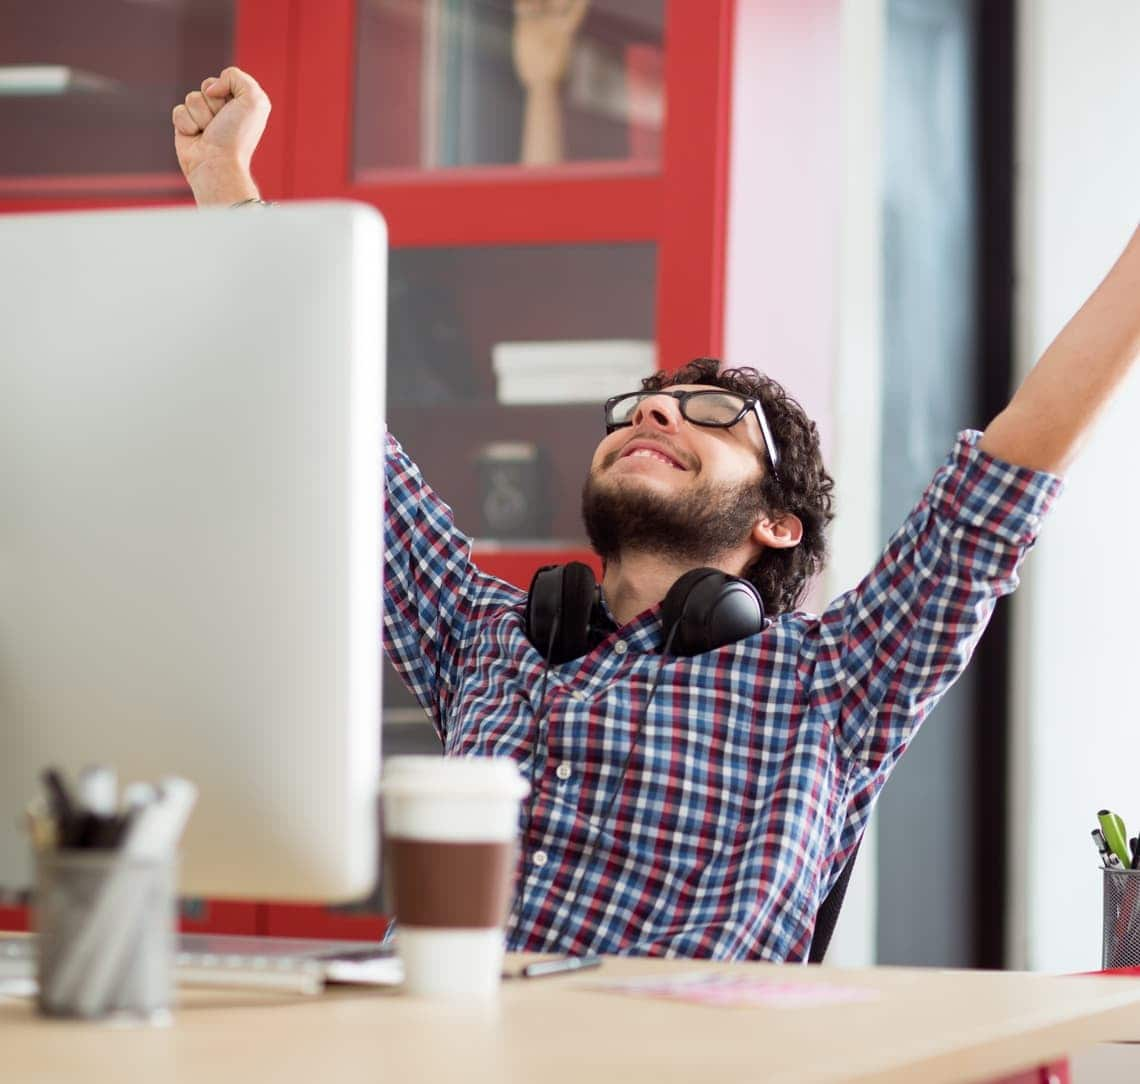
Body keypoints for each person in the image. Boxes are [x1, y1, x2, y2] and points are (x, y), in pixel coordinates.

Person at [172, 68, 1140, 962]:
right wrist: (226, 187)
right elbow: (336, 423)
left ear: (779, 524)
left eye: (715, 415)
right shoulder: (484, 634)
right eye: (638, 407)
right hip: (417, 1045)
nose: (655, 409)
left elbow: (1015, 464)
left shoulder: (834, 680)